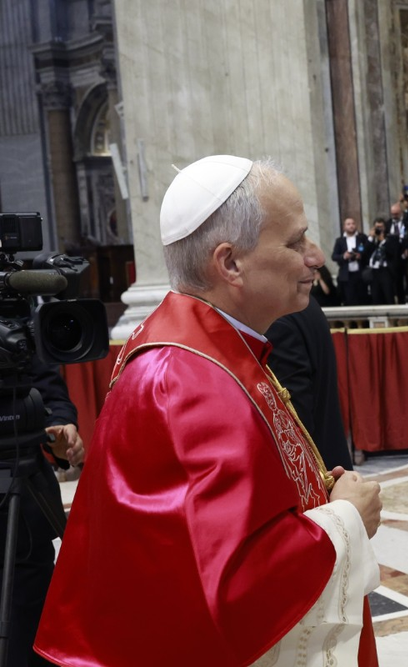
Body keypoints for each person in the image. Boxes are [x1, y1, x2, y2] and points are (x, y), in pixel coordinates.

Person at [35, 155, 383, 667]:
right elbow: (233, 587)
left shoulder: (212, 347)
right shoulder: (189, 380)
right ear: (230, 263)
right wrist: (346, 518)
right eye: (294, 241)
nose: (314, 257)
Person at [3, 357, 83, 667]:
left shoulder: (13, 326)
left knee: (34, 624)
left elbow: (50, 394)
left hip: (25, 507)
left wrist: (61, 427)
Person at [267, 255, 354, 471]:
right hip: (330, 461)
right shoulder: (303, 303)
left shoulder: (277, 319)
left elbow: (295, 426)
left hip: (311, 480)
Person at [332, 217, 370, 306]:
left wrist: (360, 256)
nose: (351, 226)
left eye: (353, 223)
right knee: (349, 299)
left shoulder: (362, 237)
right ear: (344, 227)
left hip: (360, 273)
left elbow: (368, 251)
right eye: (348, 224)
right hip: (347, 275)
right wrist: (344, 256)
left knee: (362, 297)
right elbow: (334, 256)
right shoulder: (340, 240)